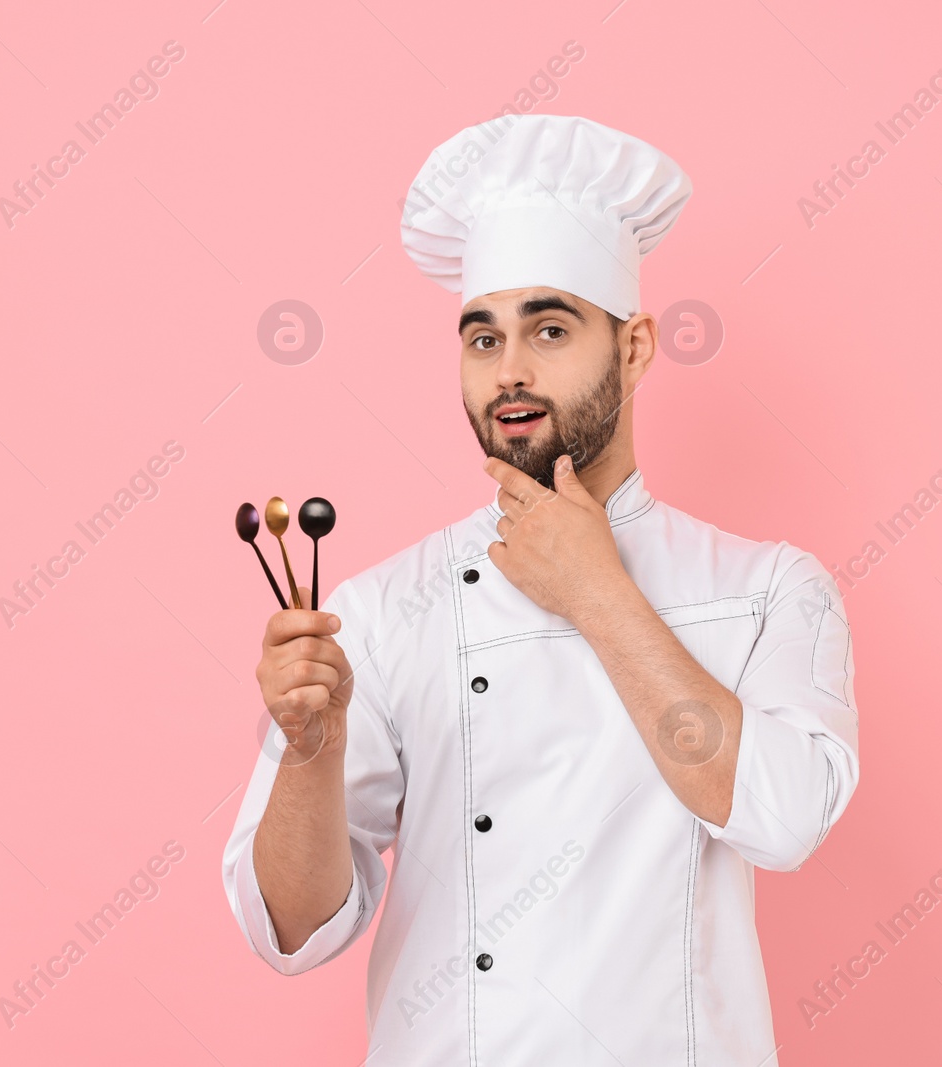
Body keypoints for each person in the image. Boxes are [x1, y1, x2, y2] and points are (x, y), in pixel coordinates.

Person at [224, 114, 860, 1065]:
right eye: (483, 339)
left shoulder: (768, 588)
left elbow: (787, 817)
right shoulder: (382, 610)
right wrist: (310, 754)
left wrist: (597, 591)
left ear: (635, 347)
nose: (509, 371)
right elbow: (292, 929)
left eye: (550, 329)